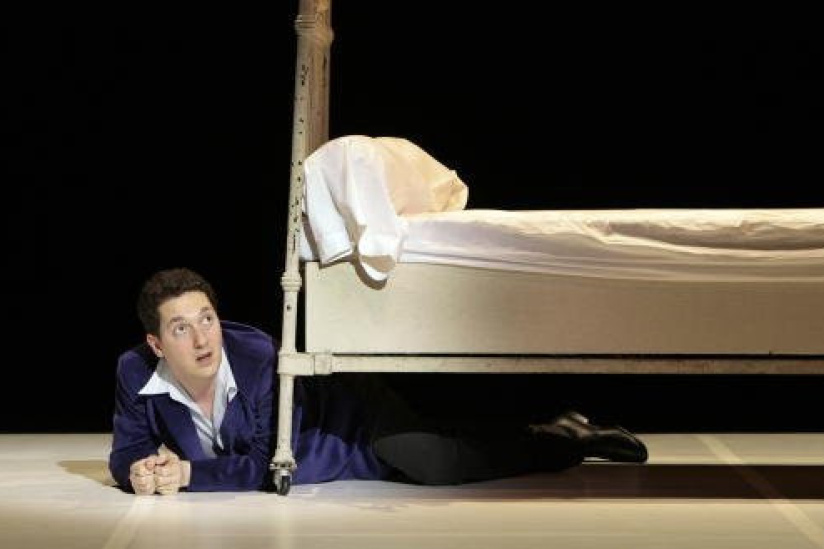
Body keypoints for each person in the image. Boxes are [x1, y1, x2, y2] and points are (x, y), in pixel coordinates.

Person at [109, 267, 647, 495]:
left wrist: (185, 476)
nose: (203, 338)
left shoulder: (252, 354)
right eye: (181, 328)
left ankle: (566, 441)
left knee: (434, 463)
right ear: (157, 344)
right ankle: (554, 426)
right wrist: (137, 470)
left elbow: (267, 462)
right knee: (444, 449)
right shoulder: (135, 371)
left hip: (350, 427)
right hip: (329, 452)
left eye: (207, 318)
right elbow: (126, 449)